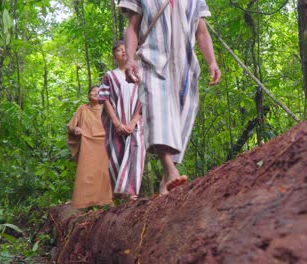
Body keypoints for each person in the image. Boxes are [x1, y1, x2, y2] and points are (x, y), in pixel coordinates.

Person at [118, 0, 221, 195]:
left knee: (182, 114)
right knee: (158, 110)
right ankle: (171, 170)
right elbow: (132, 27)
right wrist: (130, 58)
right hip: (152, 61)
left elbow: (202, 32)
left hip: (185, 67)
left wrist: (212, 62)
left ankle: (166, 177)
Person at [99, 40, 146, 200]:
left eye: (126, 48)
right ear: (114, 56)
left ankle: (131, 192)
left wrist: (133, 122)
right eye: (119, 50)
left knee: (137, 148)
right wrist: (117, 123)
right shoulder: (109, 76)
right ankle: (124, 198)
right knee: (116, 154)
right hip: (116, 122)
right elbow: (105, 99)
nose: (123, 52)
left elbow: (144, 98)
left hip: (136, 120)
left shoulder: (140, 73)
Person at [67, 85, 113, 209]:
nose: (95, 93)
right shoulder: (82, 109)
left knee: (103, 173)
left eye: (98, 92)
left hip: (103, 143)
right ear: (88, 95)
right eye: (93, 91)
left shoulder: (106, 108)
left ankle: (105, 201)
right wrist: (76, 128)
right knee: (85, 173)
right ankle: (84, 203)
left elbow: (113, 124)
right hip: (87, 143)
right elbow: (71, 125)